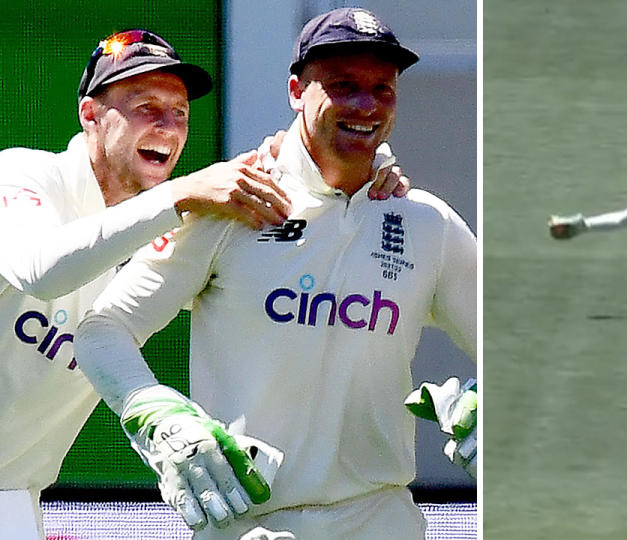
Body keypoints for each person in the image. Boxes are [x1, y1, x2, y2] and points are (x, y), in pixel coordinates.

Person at [75, 8, 476, 540]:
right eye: (342, 86)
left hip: (383, 522)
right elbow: (103, 331)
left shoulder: (426, 221)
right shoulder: (230, 200)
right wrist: (155, 415)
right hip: (248, 526)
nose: (365, 106)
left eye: (383, 89)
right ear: (295, 90)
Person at [0, 28, 411, 539]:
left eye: (180, 113)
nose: (167, 126)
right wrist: (185, 191)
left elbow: (275, 286)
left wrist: (350, 183)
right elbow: (41, 270)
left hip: (14, 503)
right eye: (146, 106)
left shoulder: (163, 226)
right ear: (90, 115)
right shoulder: (22, 176)